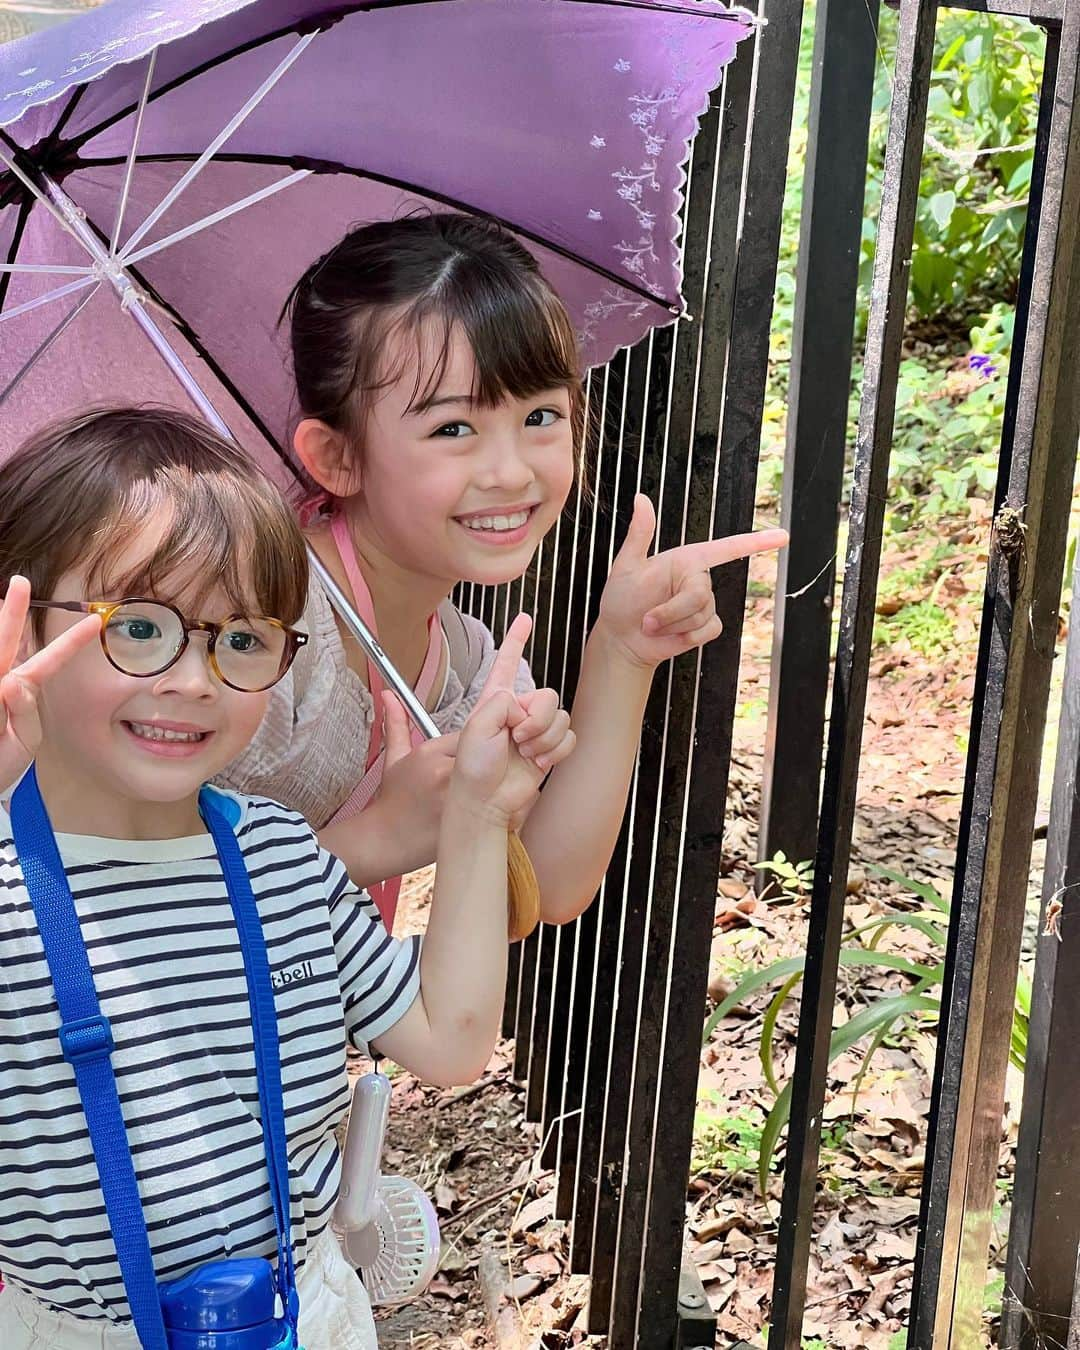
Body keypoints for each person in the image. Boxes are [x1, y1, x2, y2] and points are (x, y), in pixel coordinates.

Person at [0, 406, 574, 1350]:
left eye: (240, 639)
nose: (193, 678)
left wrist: (476, 814)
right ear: (20, 629)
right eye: (138, 628)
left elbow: (448, 1041)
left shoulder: (277, 854)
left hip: (302, 1316)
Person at [218, 213, 788, 926]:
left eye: (542, 416)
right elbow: (126, 899)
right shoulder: (255, 630)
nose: (510, 470)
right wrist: (374, 840)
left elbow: (545, 887)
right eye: (453, 428)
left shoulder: (463, 665)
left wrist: (623, 652)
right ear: (338, 457)